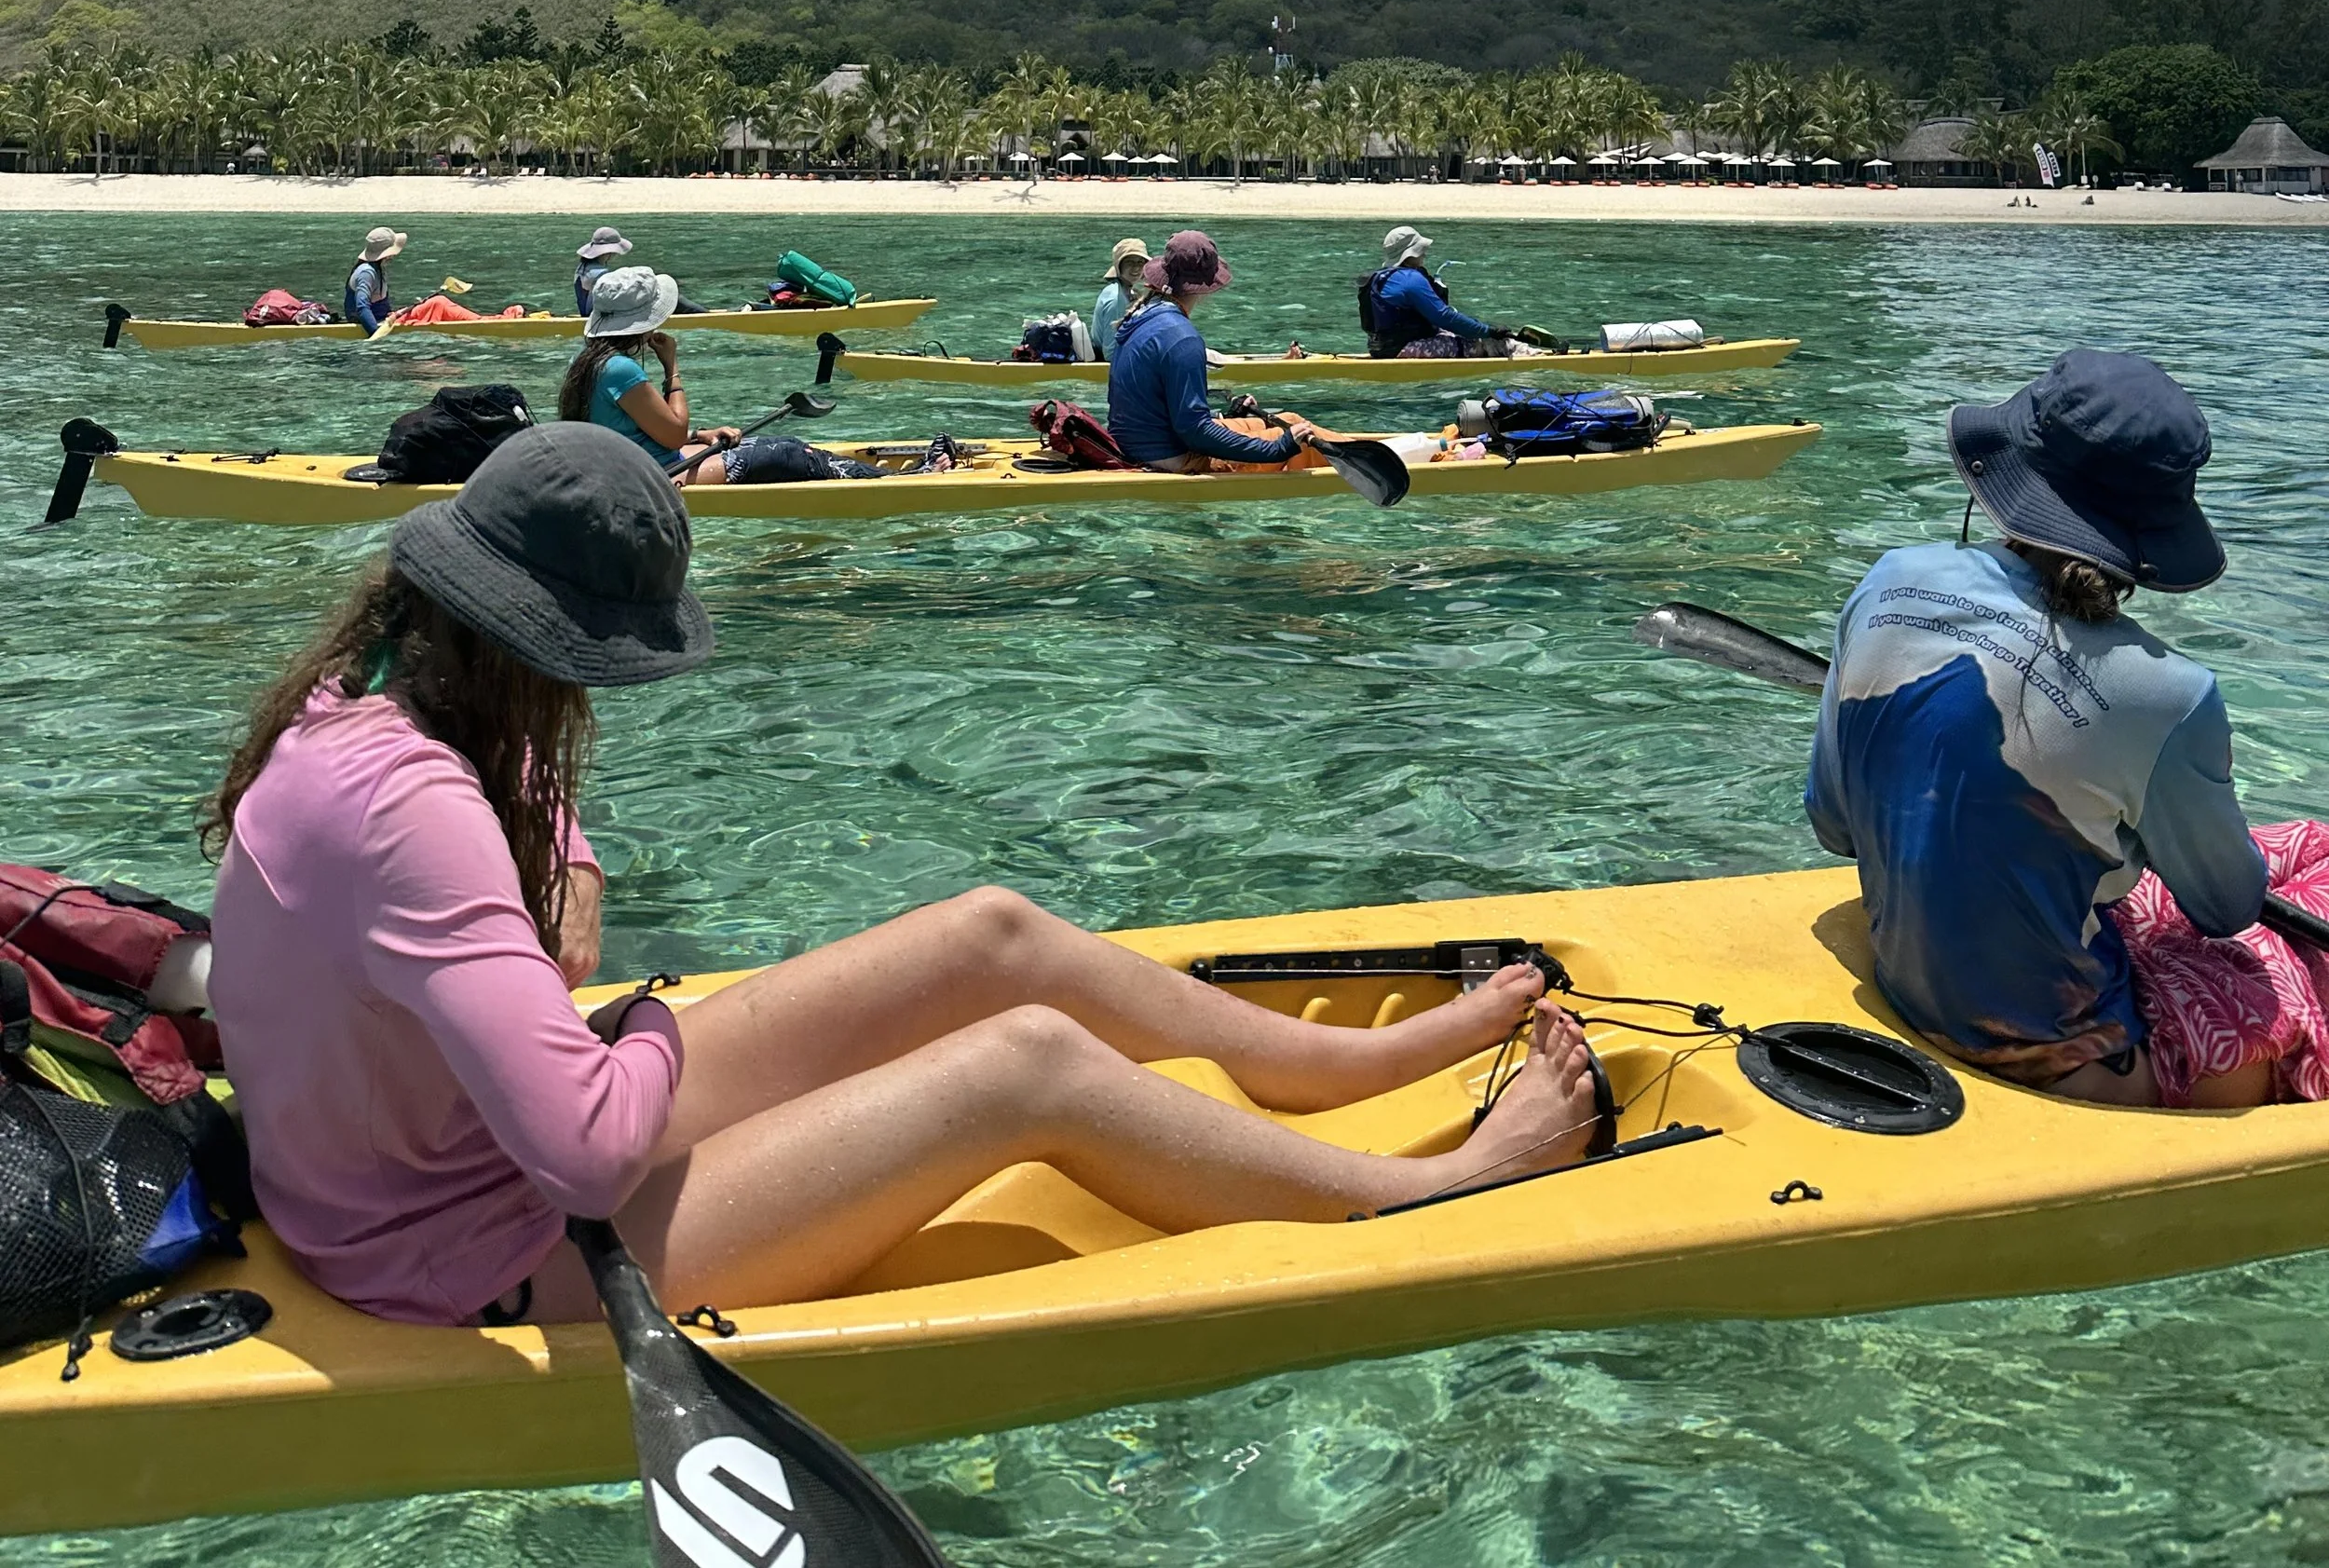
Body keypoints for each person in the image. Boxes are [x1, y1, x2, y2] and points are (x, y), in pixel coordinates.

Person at [203, 420, 1600, 1327]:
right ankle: (1416, 1193)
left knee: (989, 934)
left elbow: (533, 815)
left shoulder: (366, 694)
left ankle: (1330, 1075)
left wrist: (568, 867)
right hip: (458, 1253)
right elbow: (586, 1145)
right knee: (1025, 1065)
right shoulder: (413, 809)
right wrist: (642, 1031)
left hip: (461, 1162)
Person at [1805, 348, 2322, 1109]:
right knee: (2311, 882)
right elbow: (2225, 907)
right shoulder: (2172, 694)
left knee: (2304, 845)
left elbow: (1834, 824)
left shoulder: (1886, 578)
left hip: (1903, 981)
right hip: (2062, 1059)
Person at [557, 263, 866, 489]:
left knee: (774, 443)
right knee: (787, 453)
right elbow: (675, 434)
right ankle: (889, 479)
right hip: (654, 474)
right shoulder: (621, 369)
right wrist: (671, 367)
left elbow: (632, 430)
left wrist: (699, 435)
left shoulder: (585, 360)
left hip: (634, 464)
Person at [1107, 232, 1317, 471]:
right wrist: (1277, 449)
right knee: (1305, 443)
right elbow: (1196, 432)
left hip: (1134, 447)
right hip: (1174, 458)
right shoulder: (1183, 338)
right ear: (1206, 285)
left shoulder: (1139, 318)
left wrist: (1219, 415)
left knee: (1292, 421)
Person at [1364, 228, 1510, 359]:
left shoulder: (1377, 278)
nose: (1424, 254)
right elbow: (1444, 317)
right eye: (1421, 250)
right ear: (1409, 254)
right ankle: (1522, 356)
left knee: (1457, 334)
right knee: (1479, 344)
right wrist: (1488, 331)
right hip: (1403, 349)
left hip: (1378, 348)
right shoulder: (1410, 279)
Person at [1091, 235, 1151, 361]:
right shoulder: (1115, 299)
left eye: (1140, 262)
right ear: (1119, 266)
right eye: (1130, 262)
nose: (1136, 268)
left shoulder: (1126, 290)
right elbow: (1110, 354)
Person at [344, 226, 407, 335]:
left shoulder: (378, 269)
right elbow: (362, 307)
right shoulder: (367, 273)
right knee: (438, 303)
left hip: (382, 319)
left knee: (436, 303)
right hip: (373, 324)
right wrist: (376, 334)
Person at [573, 227, 633, 317]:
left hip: (585, 314)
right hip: (596, 318)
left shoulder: (581, 268)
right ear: (609, 252)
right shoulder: (601, 273)